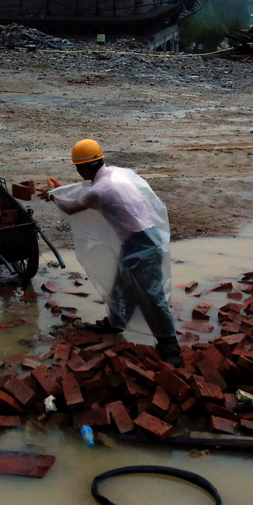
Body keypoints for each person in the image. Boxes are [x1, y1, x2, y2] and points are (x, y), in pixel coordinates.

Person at [47, 140, 182, 366]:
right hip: (142, 237)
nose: (77, 171)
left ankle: (170, 348)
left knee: (151, 297)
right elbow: (86, 193)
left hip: (141, 243)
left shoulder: (99, 191)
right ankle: (116, 325)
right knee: (123, 285)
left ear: (85, 167)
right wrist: (61, 190)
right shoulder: (117, 174)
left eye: (77, 167)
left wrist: (53, 195)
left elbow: (70, 208)